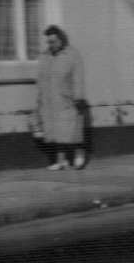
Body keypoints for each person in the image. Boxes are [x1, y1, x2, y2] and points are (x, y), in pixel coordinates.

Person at [32, 25, 88, 170]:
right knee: (54, 131)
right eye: (48, 42)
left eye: (53, 41)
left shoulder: (72, 55)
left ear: (61, 40)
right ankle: (60, 160)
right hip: (50, 99)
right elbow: (40, 79)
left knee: (72, 129)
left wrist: (79, 97)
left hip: (68, 98)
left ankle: (79, 156)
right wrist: (39, 100)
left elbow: (78, 78)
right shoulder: (45, 56)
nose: (50, 45)